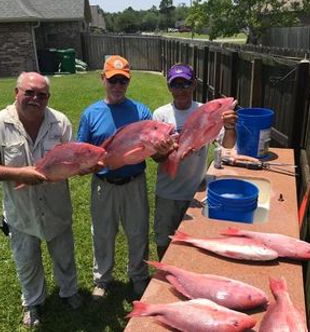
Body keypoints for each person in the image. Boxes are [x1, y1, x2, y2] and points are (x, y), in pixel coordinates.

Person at [77, 55, 172, 300]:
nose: (118, 86)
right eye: (113, 80)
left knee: (138, 232)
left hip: (134, 184)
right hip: (103, 184)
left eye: (123, 81)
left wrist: (162, 151)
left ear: (128, 82)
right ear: (103, 79)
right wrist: (86, 165)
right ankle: (102, 279)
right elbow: (82, 152)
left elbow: (155, 156)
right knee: (102, 233)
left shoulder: (141, 111)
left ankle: (139, 276)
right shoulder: (91, 114)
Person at [0, 72, 82, 328]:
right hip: (21, 212)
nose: (35, 98)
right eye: (29, 92)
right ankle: (32, 302)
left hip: (56, 207)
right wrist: (18, 173)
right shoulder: (1, 124)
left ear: (48, 98)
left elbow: (74, 157)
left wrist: (84, 165)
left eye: (42, 95)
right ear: (16, 93)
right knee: (26, 260)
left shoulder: (60, 122)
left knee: (64, 255)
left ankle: (69, 292)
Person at [152, 63, 237, 260]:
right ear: (169, 87)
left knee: (193, 241)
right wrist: (168, 153)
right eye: (176, 85)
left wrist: (230, 127)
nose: (181, 90)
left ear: (194, 85)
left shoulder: (207, 111)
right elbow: (155, 157)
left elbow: (228, 145)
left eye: (185, 84)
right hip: (167, 192)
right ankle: (162, 277)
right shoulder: (160, 114)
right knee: (163, 239)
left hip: (196, 193)